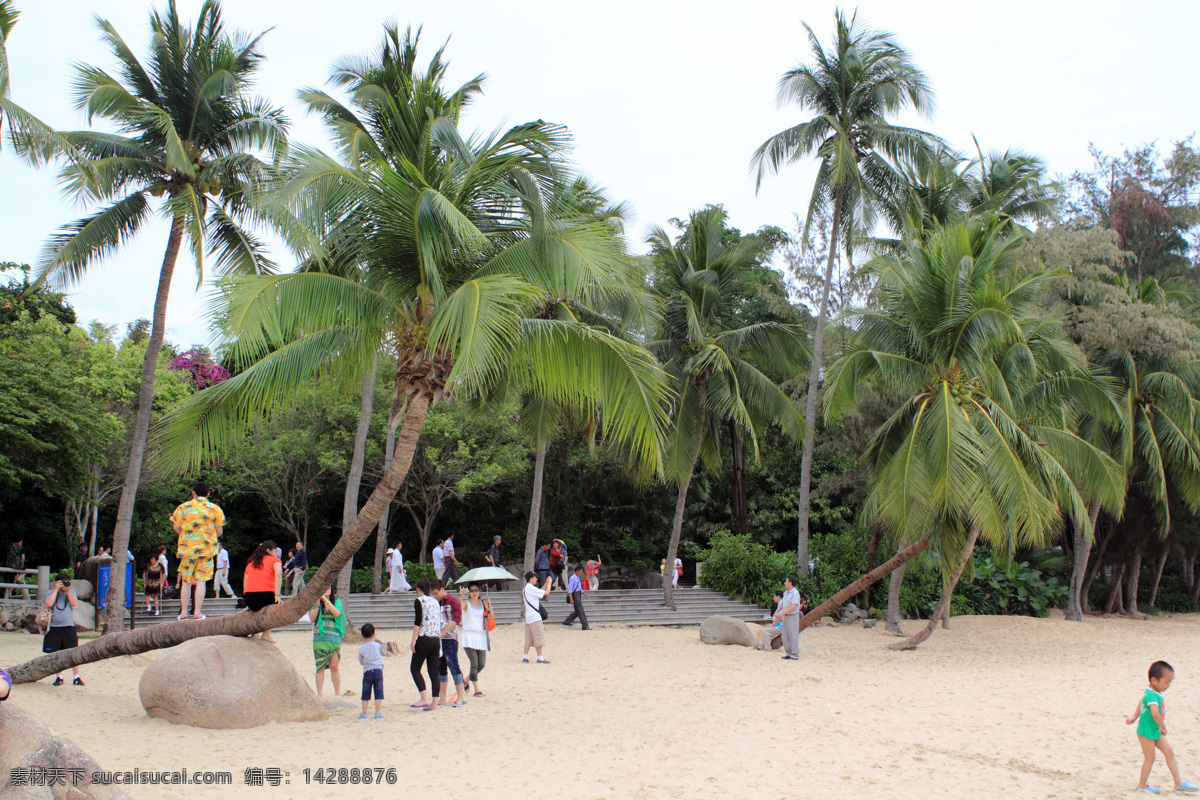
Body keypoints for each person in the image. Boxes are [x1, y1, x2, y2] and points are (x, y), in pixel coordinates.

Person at [1126, 660, 1200, 793]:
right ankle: (1141, 786)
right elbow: (1155, 713)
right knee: (1150, 757)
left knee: (1169, 752)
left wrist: (1134, 716)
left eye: (1170, 682)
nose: (1168, 685)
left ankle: (1178, 783)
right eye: (1166, 682)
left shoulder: (1152, 692)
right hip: (1147, 731)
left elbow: (1142, 701)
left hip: (1155, 730)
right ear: (1154, 680)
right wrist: (1163, 726)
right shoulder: (1152, 695)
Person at [169, 480, 225, 622]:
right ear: (208, 494)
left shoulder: (183, 507)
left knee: (186, 582)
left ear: (193, 493)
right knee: (201, 581)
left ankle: (183, 613)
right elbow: (219, 531)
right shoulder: (214, 508)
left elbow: (176, 527)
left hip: (187, 549)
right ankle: (197, 612)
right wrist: (207, 536)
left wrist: (187, 535)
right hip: (206, 550)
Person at [43, 573, 83, 686]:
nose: (64, 584)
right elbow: (49, 603)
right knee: (55, 654)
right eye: (62, 582)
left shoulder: (71, 592)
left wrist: (68, 590)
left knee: (73, 653)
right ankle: (59, 677)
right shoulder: (50, 592)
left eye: (66, 581)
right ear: (56, 582)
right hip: (54, 628)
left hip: (68, 627)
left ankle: (77, 677)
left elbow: (75, 603)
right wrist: (56, 589)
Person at [409, 579, 442, 712]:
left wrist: (413, 640)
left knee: (415, 668)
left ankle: (424, 697)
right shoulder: (435, 601)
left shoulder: (419, 601)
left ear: (418, 589)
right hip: (435, 639)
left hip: (424, 638)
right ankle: (434, 702)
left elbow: (418, 621)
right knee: (434, 672)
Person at [433, 580, 465, 708]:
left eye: (436, 593)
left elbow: (456, 620)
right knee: (441, 669)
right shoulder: (436, 603)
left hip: (450, 639)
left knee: (454, 667)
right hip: (439, 639)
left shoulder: (453, 601)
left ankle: (460, 696)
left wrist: (443, 631)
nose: (435, 596)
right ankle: (442, 698)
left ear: (442, 589)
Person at [242, 540, 282, 643]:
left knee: (256, 611)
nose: (276, 554)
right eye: (275, 551)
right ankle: (266, 634)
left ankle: (255, 632)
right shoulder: (275, 560)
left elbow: (245, 581)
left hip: (250, 597)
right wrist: (277, 594)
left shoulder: (251, 563)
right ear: (268, 550)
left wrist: (246, 599)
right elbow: (278, 574)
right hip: (266, 596)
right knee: (275, 610)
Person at [311, 586, 346, 698]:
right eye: (324, 587)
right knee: (320, 667)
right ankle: (320, 694)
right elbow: (312, 618)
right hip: (320, 639)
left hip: (334, 639)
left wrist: (326, 601)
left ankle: (337, 693)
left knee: (334, 667)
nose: (326, 589)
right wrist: (317, 604)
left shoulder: (336, 602)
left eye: (328, 587)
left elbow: (337, 613)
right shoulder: (315, 602)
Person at [460, 583, 491, 697]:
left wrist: (489, 604)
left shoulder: (482, 603)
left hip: (480, 635)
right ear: (469, 592)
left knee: (481, 664)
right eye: (472, 590)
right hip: (469, 635)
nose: (474, 592)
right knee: (474, 663)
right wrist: (461, 596)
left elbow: (490, 615)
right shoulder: (466, 603)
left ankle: (466, 680)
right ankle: (477, 690)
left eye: (476, 590)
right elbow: (458, 607)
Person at [522, 571, 553, 664]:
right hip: (535, 617)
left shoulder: (526, 588)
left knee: (528, 638)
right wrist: (550, 583)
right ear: (531, 578)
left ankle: (525, 656)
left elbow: (540, 591)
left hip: (529, 617)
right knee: (538, 637)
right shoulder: (530, 588)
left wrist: (546, 583)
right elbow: (546, 593)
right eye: (535, 577)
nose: (536, 579)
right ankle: (540, 658)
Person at [358, 622, 385, 720]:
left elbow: (361, 662)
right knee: (378, 692)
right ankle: (377, 713)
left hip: (367, 672)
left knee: (365, 692)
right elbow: (383, 653)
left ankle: (364, 713)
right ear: (374, 634)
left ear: (361, 635)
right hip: (378, 670)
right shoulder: (377, 645)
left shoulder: (362, 648)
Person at [774, 575, 804, 660]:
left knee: (793, 635)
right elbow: (783, 603)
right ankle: (788, 652)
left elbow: (793, 606)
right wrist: (777, 611)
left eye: (786, 581)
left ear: (790, 583)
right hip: (786, 616)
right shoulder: (785, 592)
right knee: (785, 636)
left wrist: (782, 613)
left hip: (792, 616)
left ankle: (794, 654)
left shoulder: (795, 593)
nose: (784, 583)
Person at [562, 565, 591, 630]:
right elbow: (570, 590)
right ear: (577, 571)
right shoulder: (572, 578)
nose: (581, 573)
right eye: (580, 571)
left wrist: (584, 594)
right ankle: (585, 626)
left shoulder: (577, 578)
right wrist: (571, 598)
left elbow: (579, 588)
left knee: (577, 611)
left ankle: (567, 621)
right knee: (580, 610)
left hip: (578, 594)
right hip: (575, 595)